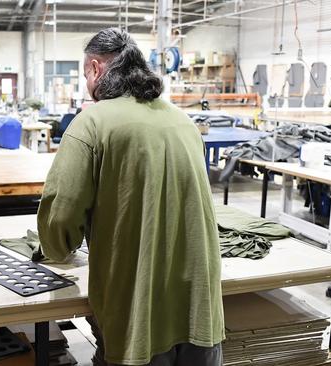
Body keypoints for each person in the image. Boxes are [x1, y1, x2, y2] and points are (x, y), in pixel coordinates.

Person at [37, 28, 224, 366]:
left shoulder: (91, 123)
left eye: (84, 75)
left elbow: (60, 227)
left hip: (138, 320)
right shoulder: (184, 122)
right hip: (201, 313)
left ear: (95, 69)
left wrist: (53, 247)